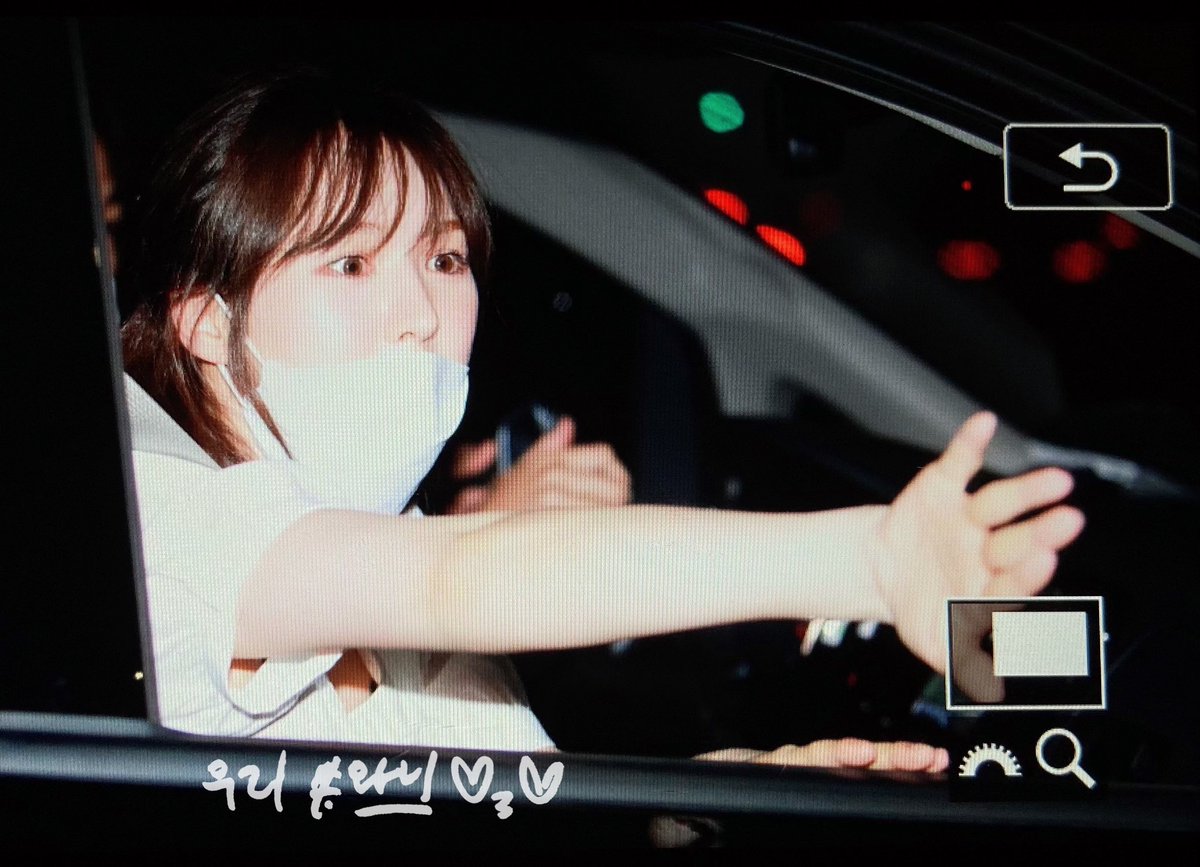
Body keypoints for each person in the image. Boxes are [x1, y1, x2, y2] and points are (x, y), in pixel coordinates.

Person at [121, 68, 1084, 763]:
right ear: (208, 321)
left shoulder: (395, 588)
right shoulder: (162, 522)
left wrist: (726, 798)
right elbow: (460, 576)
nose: (421, 313)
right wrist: (872, 560)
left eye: (446, 259)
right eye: (351, 262)